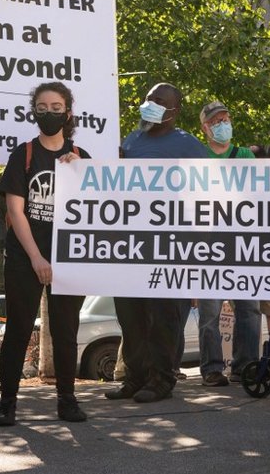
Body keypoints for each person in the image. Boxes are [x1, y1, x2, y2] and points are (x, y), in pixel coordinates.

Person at [0, 81, 90, 426]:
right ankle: (7, 403)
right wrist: (36, 258)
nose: (49, 113)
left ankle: (67, 400)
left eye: (56, 107)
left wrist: (78, 169)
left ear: (68, 112)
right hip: (25, 258)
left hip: (69, 259)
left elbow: (95, 211)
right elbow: (16, 212)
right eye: (42, 107)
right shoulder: (24, 154)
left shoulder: (81, 157)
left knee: (66, 331)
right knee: (18, 329)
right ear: (34, 112)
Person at [105, 82, 209, 403]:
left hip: (171, 247)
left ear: (174, 111)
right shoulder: (130, 141)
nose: (149, 104)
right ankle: (134, 378)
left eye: (158, 101)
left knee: (164, 318)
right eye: (148, 99)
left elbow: (209, 193)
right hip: (132, 246)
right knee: (131, 315)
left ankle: (162, 379)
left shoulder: (188, 146)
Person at [194, 101, 263, 386]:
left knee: (249, 308)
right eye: (217, 120)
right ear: (205, 127)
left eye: (226, 119)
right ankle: (211, 369)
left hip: (242, 243)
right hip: (208, 243)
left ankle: (245, 365)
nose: (223, 124)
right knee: (209, 310)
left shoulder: (245, 155)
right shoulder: (196, 157)